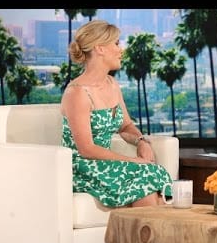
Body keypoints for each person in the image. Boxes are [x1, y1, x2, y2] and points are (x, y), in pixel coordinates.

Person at [61, 20, 172, 207]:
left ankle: (150, 233)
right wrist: (133, 161)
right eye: (117, 43)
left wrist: (141, 141)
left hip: (105, 163)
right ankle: (148, 233)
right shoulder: (77, 92)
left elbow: (125, 125)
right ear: (100, 49)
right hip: (82, 167)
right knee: (148, 174)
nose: (122, 50)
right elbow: (86, 149)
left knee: (152, 175)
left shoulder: (112, 84)